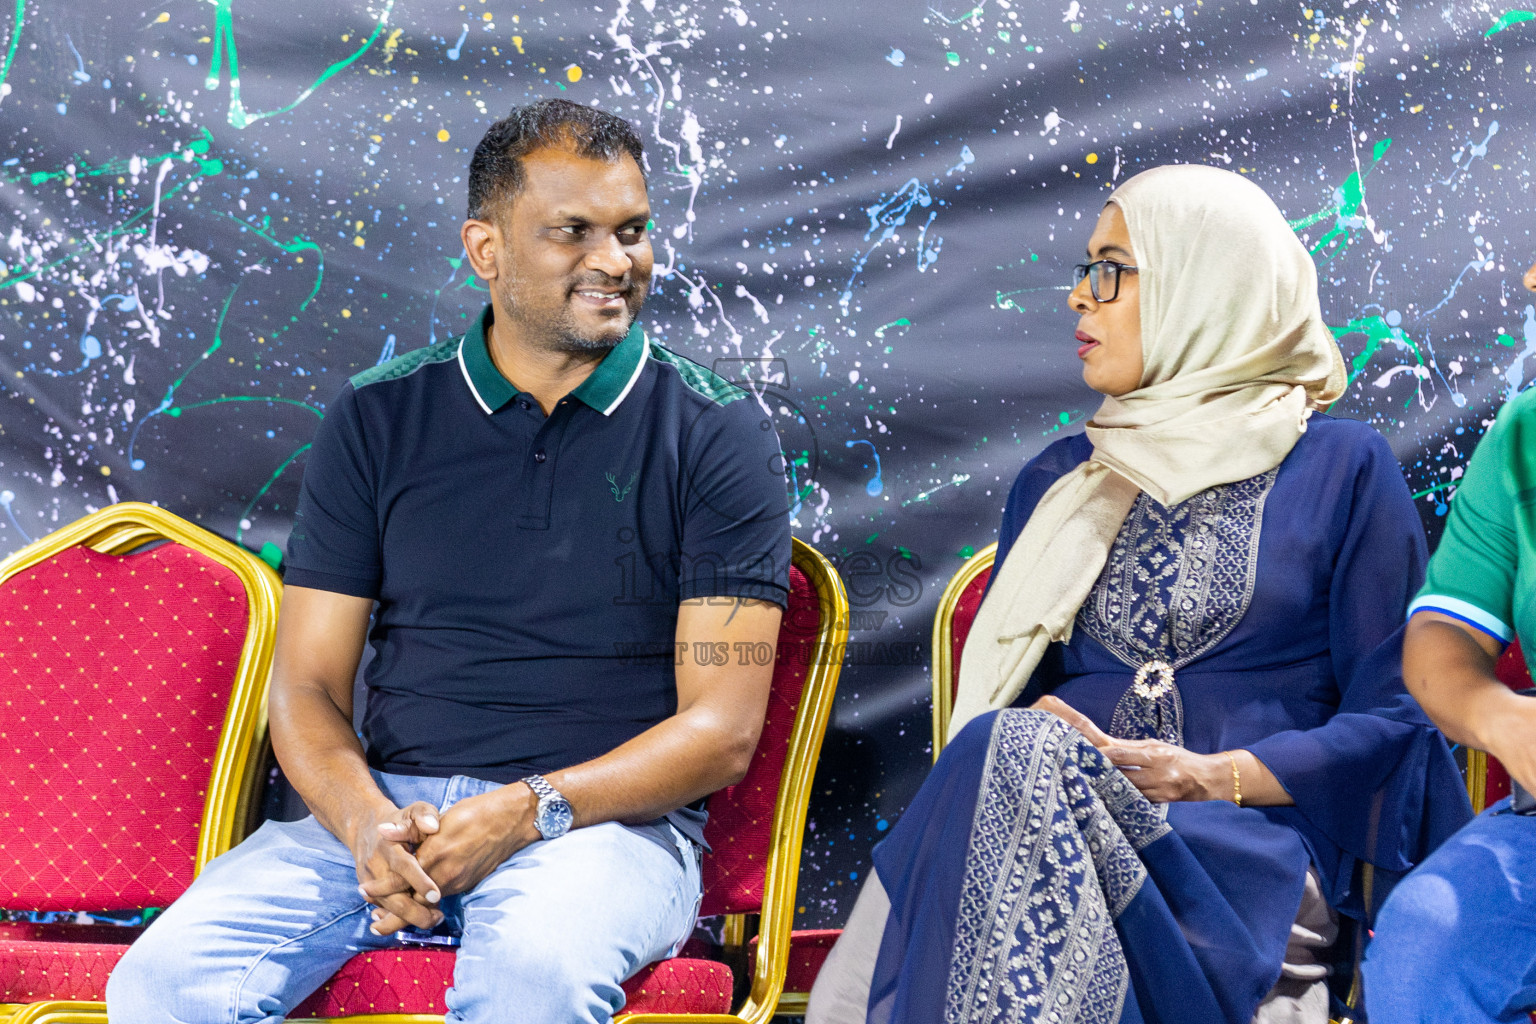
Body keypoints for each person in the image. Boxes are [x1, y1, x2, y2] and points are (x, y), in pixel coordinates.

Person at [105, 98, 791, 1024]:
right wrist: (364, 825)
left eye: (631, 231)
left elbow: (723, 729)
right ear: (486, 249)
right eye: (572, 233)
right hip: (384, 816)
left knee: (533, 979)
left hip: (598, 831)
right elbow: (305, 689)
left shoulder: (718, 429)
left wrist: (524, 810)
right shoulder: (379, 415)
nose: (615, 262)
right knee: (161, 985)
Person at [806, 164, 1469, 1024]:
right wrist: (1041, 744)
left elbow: (1397, 719)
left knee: (1004, 781)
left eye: (1111, 270)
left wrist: (1209, 776)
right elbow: (1017, 708)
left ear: (1207, 285)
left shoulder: (1341, 467)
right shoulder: (1060, 477)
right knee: (1009, 752)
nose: (1080, 299)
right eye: (1083, 271)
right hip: (1039, 813)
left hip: (1240, 846)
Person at [1361, 259, 1536, 1023]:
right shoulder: (1522, 437)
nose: (1531, 278)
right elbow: (1441, 638)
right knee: (1424, 938)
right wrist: (1500, 717)